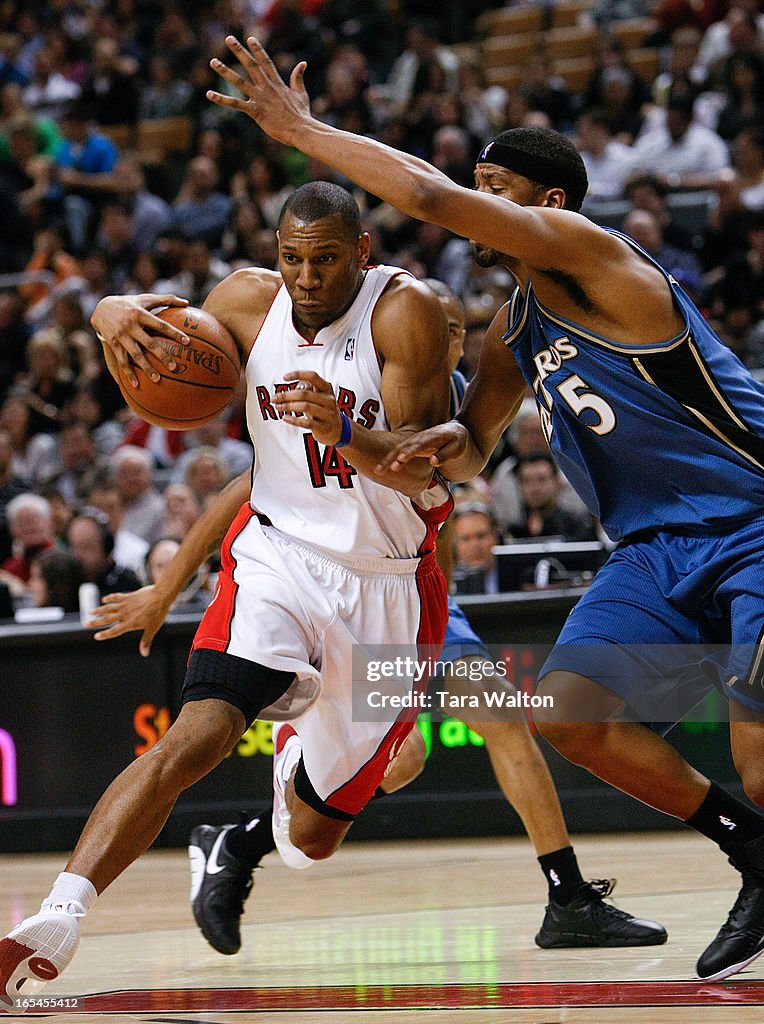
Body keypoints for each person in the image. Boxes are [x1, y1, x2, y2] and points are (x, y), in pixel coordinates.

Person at [195, 34, 764, 983]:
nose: (474, 203)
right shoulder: (513, 328)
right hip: (653, 545)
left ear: (546, 206)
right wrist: (378, 440)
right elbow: (472, 439)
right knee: (567, 716)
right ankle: (751, 851)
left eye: (494, 188)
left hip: (752, 517)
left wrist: (301, 130)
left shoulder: (599, 254)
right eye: (476, 184)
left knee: (756, 730)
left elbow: (423, 196)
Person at [86, 283, 664, 959]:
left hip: (416, 596)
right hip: (336, 588)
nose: (449, 338)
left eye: (456, 328)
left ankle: (565, 898)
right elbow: (242, 490)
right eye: (440, 325)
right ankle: (240, 839)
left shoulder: (449, 393)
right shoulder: (355, 378)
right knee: (399, 767)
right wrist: (166, 588)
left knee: (480, 727)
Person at [0, 180, 453, 1009]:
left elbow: (421, 463)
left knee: (313, 842)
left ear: (361, 252)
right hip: (276, 557)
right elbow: (243, 461)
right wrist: (107, 311)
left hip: (387, 583)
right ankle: (59, 919)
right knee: (197, 736)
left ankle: (286, 771)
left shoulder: (407, 314)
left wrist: (346, 431)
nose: (306, 277)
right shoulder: (245, 303)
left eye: (324, 259)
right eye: (291, 258)